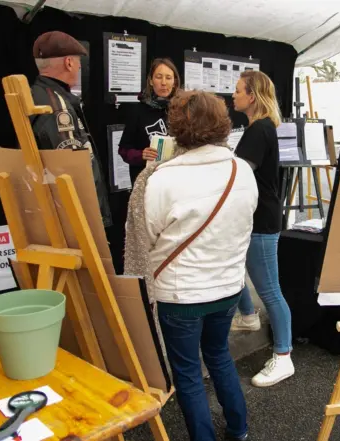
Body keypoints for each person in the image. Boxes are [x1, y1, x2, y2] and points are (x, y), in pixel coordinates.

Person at [123, 90, 257, 441]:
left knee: (187, 373)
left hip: (180, 293)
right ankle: (239, 429)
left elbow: (148, 236)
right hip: (228, 286)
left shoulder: (162, 179)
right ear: (222, 123)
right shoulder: (241, 170)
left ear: (177, 126)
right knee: (219, 355)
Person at [231, 71, 294, 387]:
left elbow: (239, 175)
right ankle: (247, 316)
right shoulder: (259, 127)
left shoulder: (259, 130)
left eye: (238, 90)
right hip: (254, 216)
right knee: (233, 268)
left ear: (252, 96)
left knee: (269, 290)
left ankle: (283, 356)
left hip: (262, 220)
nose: (233, 95)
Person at [30, 31, 112, 227]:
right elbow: (70, 170)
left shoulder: (37, 94)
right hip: (74, 219)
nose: (79, 67)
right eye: (78, 61)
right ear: (68, 62)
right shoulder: (57, 106)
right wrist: (91, 218)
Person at [119, 58, 181, 184]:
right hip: (146, 182)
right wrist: (141, 155)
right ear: (151, 81)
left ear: (174, 82)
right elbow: (124, 150)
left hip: (175, 180)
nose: (163, 83)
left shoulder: (182, 110)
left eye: (168, 78)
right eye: (159, 77)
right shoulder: (137, 111)